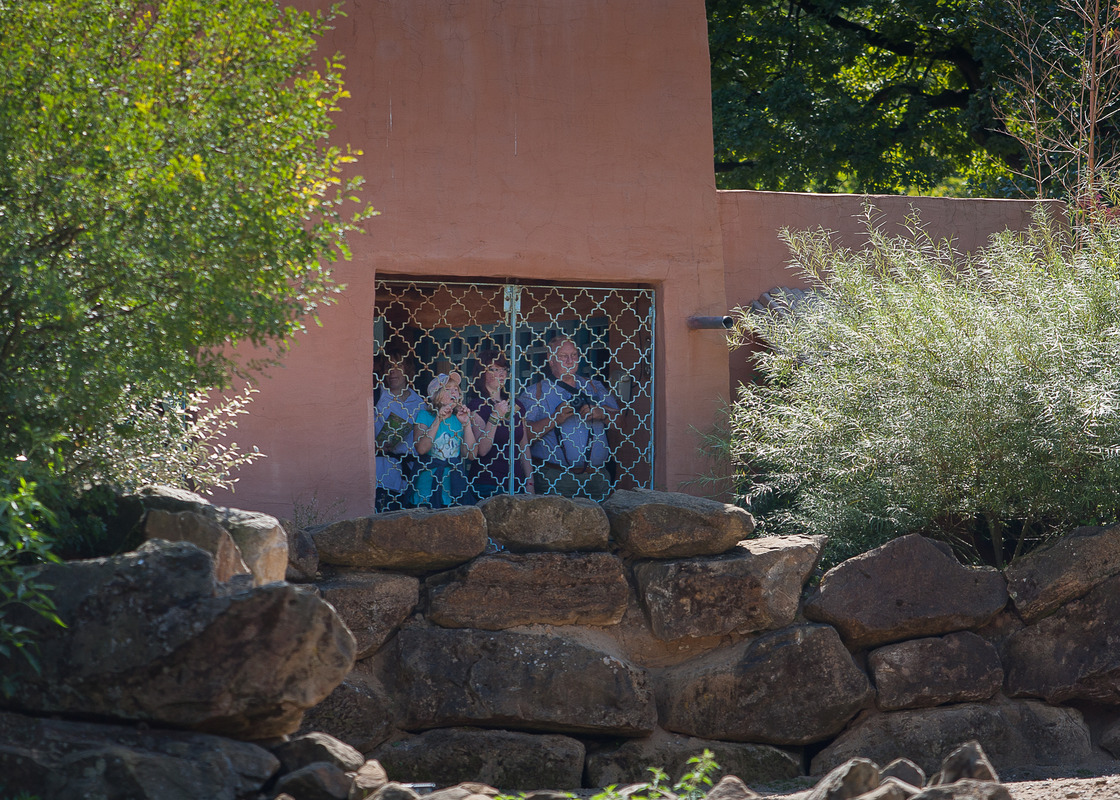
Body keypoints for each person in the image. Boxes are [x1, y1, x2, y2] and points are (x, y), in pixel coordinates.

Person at [518, 335, 619, 502]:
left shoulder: (594, 386)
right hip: (555, 478)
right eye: (563, 356)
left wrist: (602, 414)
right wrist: (555, 419)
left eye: (574, 355)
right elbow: (523, 436)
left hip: (596, 477)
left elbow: (621, 424)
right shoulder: (535, 392)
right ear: (551, 359)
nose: (570, 361)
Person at [469, 349, 535, 499]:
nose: (501, 374)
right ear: (482, 373)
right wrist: (494, 416)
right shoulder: (477, 406)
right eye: (495, 369)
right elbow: (482, 450)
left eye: (503, 369)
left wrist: (530, 482)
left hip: (516, 482)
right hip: (487, 483)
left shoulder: (516, 404)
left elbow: (523, 445)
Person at [412, 371, 477, 508]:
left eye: (456, 390)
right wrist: (438, 419)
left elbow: (471, 454)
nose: (454, 393)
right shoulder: (425, 415)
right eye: (448, 390)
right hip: (427, 487)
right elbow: (422, 449)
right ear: (436, 395)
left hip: (453, 488)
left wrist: (466, 424)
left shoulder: (458, 418)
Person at [373, 348, 424, 512]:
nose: (392, 372)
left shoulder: (420, 403)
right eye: (388, 366)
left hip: (408, 476)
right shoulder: (377, 396)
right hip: (382, 474)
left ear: (408, 369)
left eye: (398, 366)